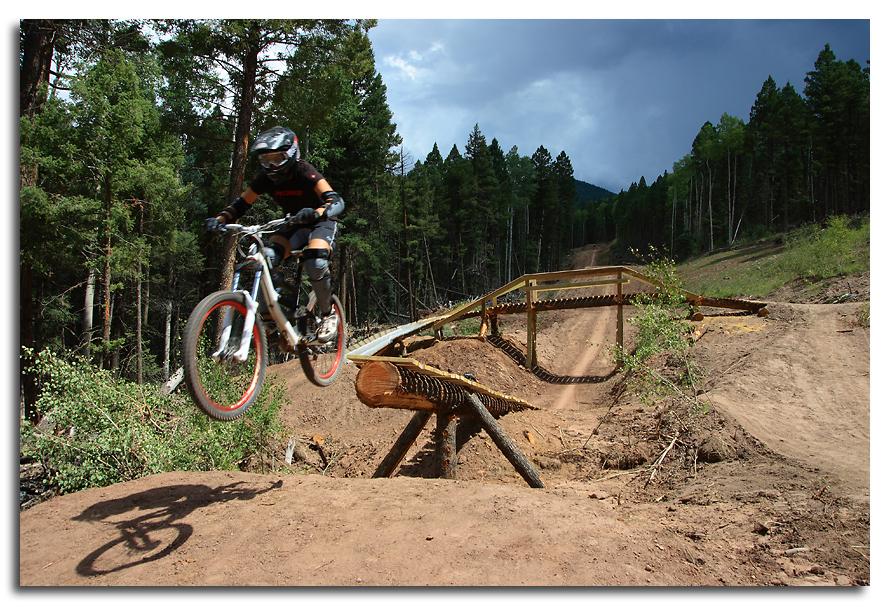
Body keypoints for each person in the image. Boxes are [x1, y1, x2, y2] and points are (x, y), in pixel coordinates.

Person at [206, 126, 345, 343]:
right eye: (265, 160)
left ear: (291, 154)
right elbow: (241, 204)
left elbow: (336, 200)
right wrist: (221, 219)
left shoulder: (304, 171)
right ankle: (277, 308)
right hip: (292, 222)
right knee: (266, 257)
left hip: (320, 222)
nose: (271, 166)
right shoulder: (265, 179)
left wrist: (318, 212)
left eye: (277, 158)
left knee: (316, 260)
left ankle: (328, 314)